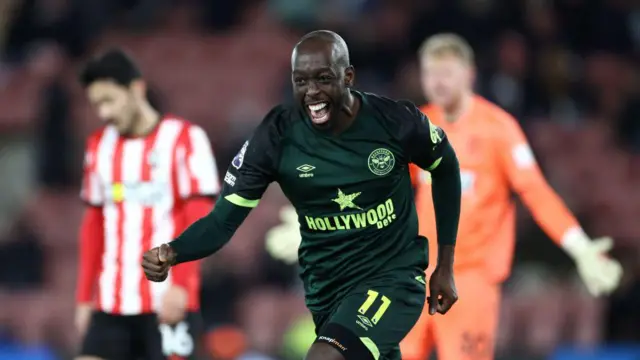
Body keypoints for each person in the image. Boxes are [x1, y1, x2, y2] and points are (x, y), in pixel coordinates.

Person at [142, 30, 462, 360]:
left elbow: (446, 167)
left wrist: (445, 265)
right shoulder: (277, 136)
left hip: (392, 277)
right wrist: (173, 251)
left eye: (323, 79)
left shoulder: (394, 122)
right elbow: (223, 220)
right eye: (301, 81)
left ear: (348, 76)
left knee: (325, 356)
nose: (312, 93)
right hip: (327, 288)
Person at [401, 33, 624, 360]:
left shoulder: (498, 129)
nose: (438, 82)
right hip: (413, 274)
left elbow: (535, 191)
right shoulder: (417, 126)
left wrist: (580, 247)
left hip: (470, 280)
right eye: (430, 73)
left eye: (447, 72)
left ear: (469, 74)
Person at [75, 49, 219, 360]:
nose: (103, 112)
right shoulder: (98, 146)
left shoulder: (185, 139)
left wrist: (182, 285)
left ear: (136, 88)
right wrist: (84, 298)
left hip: (165, 300)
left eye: (109, 100)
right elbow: (93, 227)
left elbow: (199, 219)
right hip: (111, 305)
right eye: (96, 103)